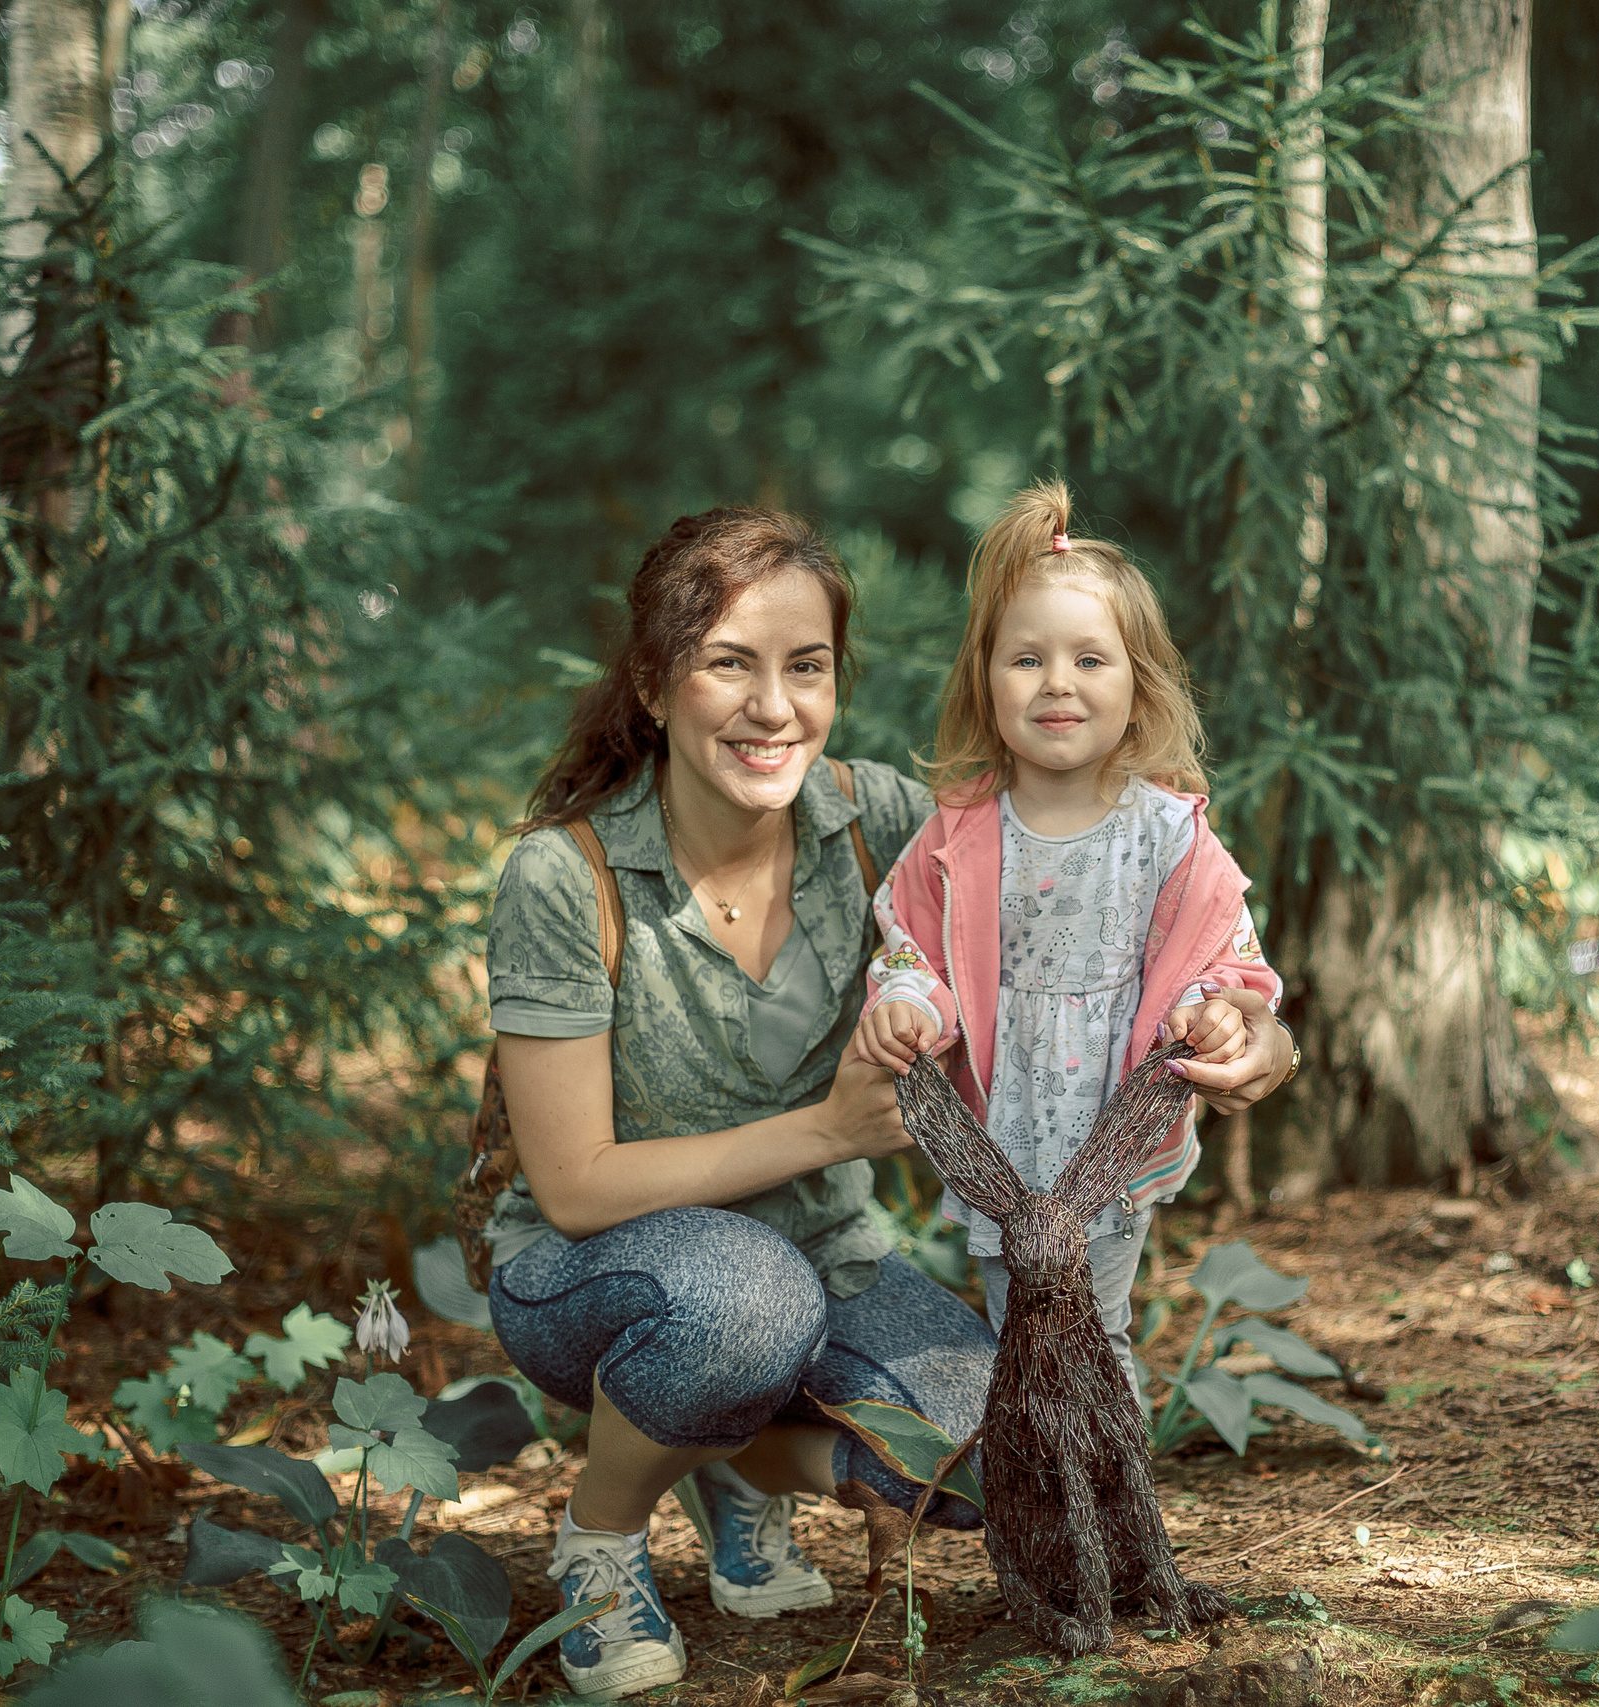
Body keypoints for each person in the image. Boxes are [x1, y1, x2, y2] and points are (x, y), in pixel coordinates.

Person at [481, 506, 1296, 1701]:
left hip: (831, 1257)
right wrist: (825, 1131)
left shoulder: (884, 825)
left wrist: (1251, 1033)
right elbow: (573, 1185)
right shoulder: (569, 874)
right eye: (728, 664)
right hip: (592, 1271)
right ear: (654, 686)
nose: (773, 708)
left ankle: (727, 1464)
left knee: (1001, 1452)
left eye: (805, 668)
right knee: (741, 1301)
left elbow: (1106, 856)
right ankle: (603, 1539)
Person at [849, 479, 1291, 1397]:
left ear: (1139, 686)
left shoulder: (1168, 833)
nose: (1058, 681)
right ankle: (1035, 1513)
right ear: (986, 679)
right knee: (1021, 1328)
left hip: (1110, 1128)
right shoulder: (961, 832)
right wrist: (903, 1001)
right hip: (1004, 1133)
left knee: (1099, 1323)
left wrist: (1214, 1013)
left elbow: (1224, 955)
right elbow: (911, 941)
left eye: (1091, 659)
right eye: (1026, 660)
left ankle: (1114, 1513)